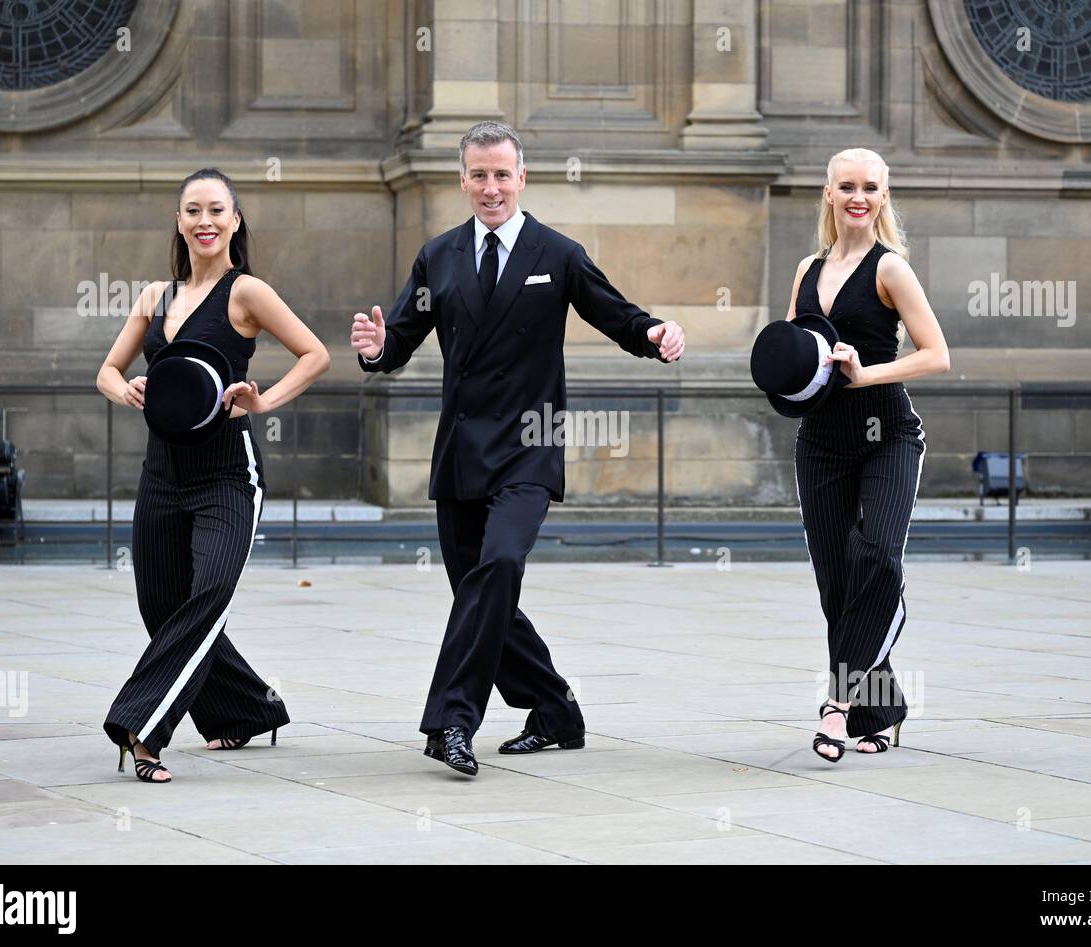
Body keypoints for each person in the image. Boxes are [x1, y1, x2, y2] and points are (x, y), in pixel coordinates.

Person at [350, 121, 685, 778]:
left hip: (531, 448)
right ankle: (555, 710)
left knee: (497, 567)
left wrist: (656, 332)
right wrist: (375, 350)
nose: (491, 186)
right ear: (463, 179)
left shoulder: (556, 253)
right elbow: (401, 339)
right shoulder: (438, 256)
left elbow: (615, 314)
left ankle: (452, 720)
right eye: (479, 174)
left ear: (522, 178)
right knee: (483, 595)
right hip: (460, 453)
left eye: (502, 174)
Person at [97, 168, 330, 782]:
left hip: (228, 474)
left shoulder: (246, 292)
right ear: (180, 221)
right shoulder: (155, 297)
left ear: (235, 220)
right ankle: (247, 709)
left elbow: (316, 353)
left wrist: (266, 400)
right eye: (193, 211)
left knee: (208, 592)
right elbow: (107, 372)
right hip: (161, 476)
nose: (205, 221)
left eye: (216, 210)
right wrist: (128, 390)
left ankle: (141, 728)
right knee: (160, 606)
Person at [785, 148, 950, 763]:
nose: (859, 197)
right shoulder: (806, 270)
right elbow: (793, 348)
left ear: (884, 196)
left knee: (876, 556)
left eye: (871, 188)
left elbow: (937, 354)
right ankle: (880, 710)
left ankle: (836, 705)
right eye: (847, 186)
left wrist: (865, 371)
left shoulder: (892, 270)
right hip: (822, 443)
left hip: (888, 435)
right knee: (837, 587)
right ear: (828, 192)